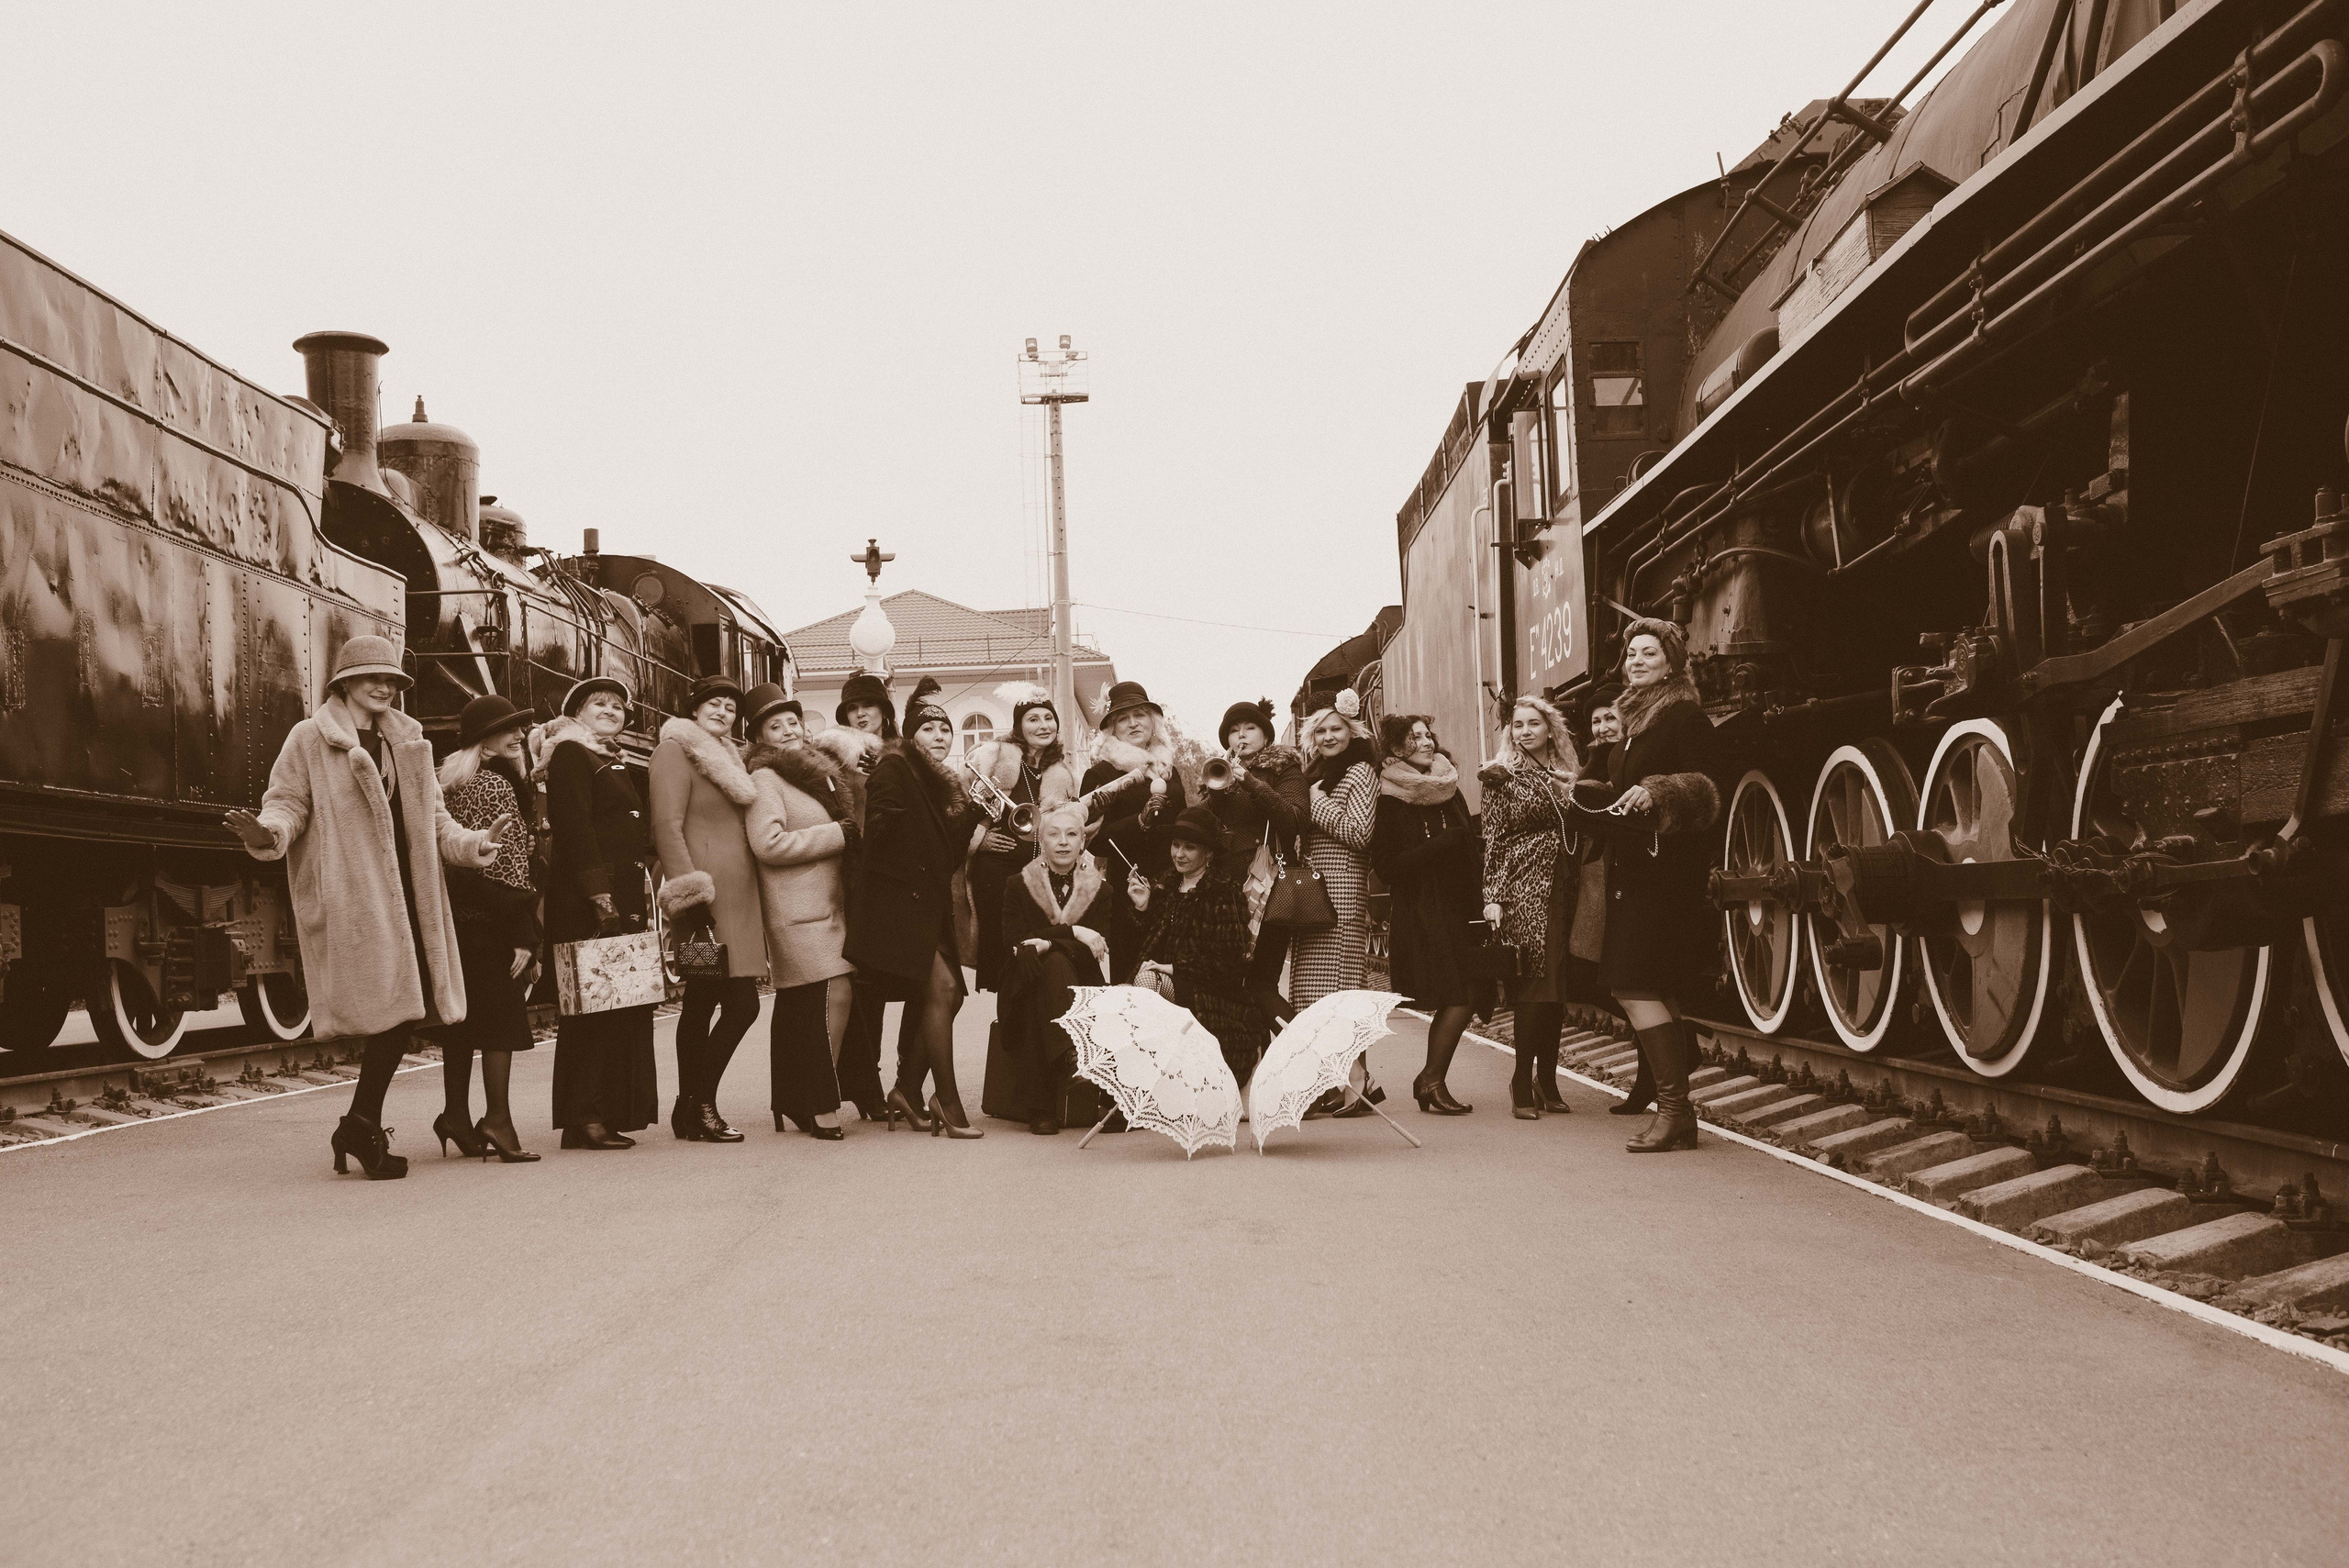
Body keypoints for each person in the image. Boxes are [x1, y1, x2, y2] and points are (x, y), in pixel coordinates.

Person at [225, 636, 506, 1180]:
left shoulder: (409, 742)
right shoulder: (310, 739)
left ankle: (361, 1125)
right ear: (344, 683)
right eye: (373, 677)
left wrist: (472, 845)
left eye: (394, 680)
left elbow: (435, 821)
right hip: (359, 896)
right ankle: (361, 1125)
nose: (385, 687)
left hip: (413, 896)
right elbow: (287, 804)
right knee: (395, 1013)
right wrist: (267, 833)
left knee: (406, 1011)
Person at [1587, 619, 1720, 1153]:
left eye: (1649, 653)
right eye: (1631, 654)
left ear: (1672, 662)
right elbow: (1618, 789)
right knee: (1653, 987)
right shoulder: (1634, 722)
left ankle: (1675, 1113)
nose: (1637, 661)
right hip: (1635, 872)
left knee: (1633, 985)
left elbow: (1710, 788)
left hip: (1665, 877)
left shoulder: (1684, 715)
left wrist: (1658, 791)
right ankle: (1675, 1114)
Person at [845, 687, 984, 1137]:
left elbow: (944, 857)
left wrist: (975, 815)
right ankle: (946, 1101)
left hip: (926, 906)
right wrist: (908, 872)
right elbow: (880, 836)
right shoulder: (893, 766)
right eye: (929, 728)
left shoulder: (933, 781)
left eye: (946, 728)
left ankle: (905, 1088)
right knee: (944, 990)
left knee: (951, 995)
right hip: (903, 907)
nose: (940, 735)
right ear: (910, 736)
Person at [541, 675, 661, 1150]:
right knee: (592, 1013)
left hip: (621, 899)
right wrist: (600, 896)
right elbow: (575, 828)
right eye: (600, 704)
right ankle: (583, 1116)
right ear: (577, 713)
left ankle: (602, 1112)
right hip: (595, 904)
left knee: (616, 1010)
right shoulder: (573, 755)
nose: (612, 710)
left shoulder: (608, 759)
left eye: (618, 705)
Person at [649, 676, 766, 1144]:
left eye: (730, 707)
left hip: (735, 904)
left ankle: (692, 1107)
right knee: (724, 1005)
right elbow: (665, 825)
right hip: (704, 904)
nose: (723, 712)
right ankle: (697, 1104)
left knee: (718, 1005)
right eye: (713, 704)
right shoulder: (675, 750)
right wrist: (690, 898)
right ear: (694, 710)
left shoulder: (728, 757)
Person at [741, 685, 857, 1139]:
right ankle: (820, 1104)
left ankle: (796, 1100)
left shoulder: (815, 775)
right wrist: (839, 835)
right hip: (797, 909)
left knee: (800, 1009)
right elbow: (767, 844)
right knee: (835, 993)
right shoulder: (766, 779)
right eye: (776, 726)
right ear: (762, 738)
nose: (789, 730)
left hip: (829, 907)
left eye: (793, 722)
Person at [435, 695, 545, 1162]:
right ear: (485, 741)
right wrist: (524, 932)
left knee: (462, 1024)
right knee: (501, 1023)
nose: (520, 735)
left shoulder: (457, 785)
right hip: (496, 921)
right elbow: (505, 867)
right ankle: (497, 1120)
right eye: (509, 729)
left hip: (461, 920)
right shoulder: (496, 786)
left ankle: (455, 1116)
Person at [998, 802, 1144, 1134]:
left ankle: (1043, 1106)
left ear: (1083, 842)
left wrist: (1049, 942)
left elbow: (1097, 948)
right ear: (1041, 840)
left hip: (1082, 984)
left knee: (1055, 962)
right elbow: (1016, 944)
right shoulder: (1017, 885)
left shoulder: (1102, 890)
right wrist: (1073, 932)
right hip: (1023, 982)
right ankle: (1072, 1060)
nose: (1063, 841)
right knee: (1051, 967)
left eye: (1071, 834)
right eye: (1054, 834)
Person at [1372, 714, 1491, 1115]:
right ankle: (1430, 1081)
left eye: (1427, 735)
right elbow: (1388, 867)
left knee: (1470, 991)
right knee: (1459, 993)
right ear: (1395, 749)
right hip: (1423, 911)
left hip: (1459, 907)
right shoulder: (1389, 800)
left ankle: (1430, 1080)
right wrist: (1443, 845)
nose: (1426, 742)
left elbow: (1468, 848)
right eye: (1415, 737)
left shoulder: (1448, 786)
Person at [1479, 695, 1584, 1120]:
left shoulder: (1567, 774)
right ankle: (1522, 1079)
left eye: (1533, 724)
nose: (1524, 731)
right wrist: (1492, 896)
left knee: (1556, 988)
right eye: (1517, 725)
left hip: (1565, 884)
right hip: (1524, 886)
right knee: (1534, 987)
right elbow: (1493, 839)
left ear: (1549, 729)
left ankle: (1549, 1079)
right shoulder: (1500, 776)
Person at [1132, 806, 1269, 1095]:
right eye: (1175, 845)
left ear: (1208, 853)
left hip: (1213, 995)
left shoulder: (1222, 892)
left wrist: (1176, 968)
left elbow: (1230, 963)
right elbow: (1150, 945)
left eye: (1189, 847)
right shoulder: (1166, 887)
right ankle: (1143, 1083)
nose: (1179, 854)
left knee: (1145, 983)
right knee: (1138, 985)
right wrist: (1144, 908)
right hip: (1172, 987)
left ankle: (1142, 1084)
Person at [1292, 690, 1381, 1114]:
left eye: (1336, 729)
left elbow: (1359, 832)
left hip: (1342, 887)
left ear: (1352, 730)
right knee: (1313, 992)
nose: (1328, 736)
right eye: (1321, 730)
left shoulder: (1360, 771)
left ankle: (1360, 1082)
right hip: (1313, 889)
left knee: (1343, 989)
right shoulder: (1319, 772)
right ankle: (1336, 1080)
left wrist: (1312, 799)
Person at [964, 683, 1079, 996]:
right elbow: (961, 809)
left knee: (1041, 960)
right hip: (997, 877)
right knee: (1008, 963)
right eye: (1033, 719)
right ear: (1018, 726)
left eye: (1048, 718)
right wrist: (980, 839)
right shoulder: (996, 756)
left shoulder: (1061, 772)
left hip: (1040, 877)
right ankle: (1011, 1033)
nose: (1043, 725)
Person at [1205, 697, 1310, 1032]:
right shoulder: (1217, 775)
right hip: (1229, 897)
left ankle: (1306, 1056)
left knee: (1260, 984)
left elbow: (1294, 820)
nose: (1242, 736)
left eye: (1250, 728)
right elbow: (1204, 829)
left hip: (1270, 892)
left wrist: (1250, 782)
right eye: (1234, 731)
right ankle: (1263, 1072)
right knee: (1235, 988)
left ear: (1266, 735)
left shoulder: (1285, 769)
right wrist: (1218, 792)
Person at [829, 671, 907, 1124]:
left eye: (868, 706)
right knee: (864, 986)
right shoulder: (836, 756)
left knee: (893, 982)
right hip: (855, 879)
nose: (860, 713)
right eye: (853, 708)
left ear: (884, 711)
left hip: (895, 879)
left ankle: (903, 1084)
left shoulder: (901, 753)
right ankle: (865, 1084)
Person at [1080, 680, 1186, 880]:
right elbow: (1094, 842)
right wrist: (1140, 821)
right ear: (1113, 728)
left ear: (1152, 722)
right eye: (1123, 719)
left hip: (1175, 881)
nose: (1133, 723)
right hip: (1128, 882)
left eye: (1139, 715)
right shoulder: (1100, 774)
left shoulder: (1169, 769)